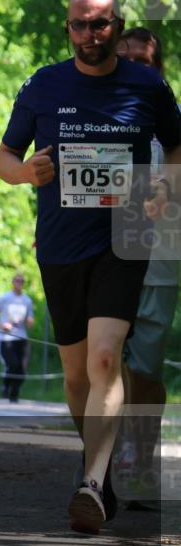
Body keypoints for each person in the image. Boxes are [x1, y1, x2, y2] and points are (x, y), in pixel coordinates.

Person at [0, 0, 180, 534]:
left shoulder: (147, 85)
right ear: (68, 29)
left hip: (127, 236)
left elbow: (175, 146)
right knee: (77, 375)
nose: (90, 35)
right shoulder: (44, 84)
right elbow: (4, 156)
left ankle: (93, 484)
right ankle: (95, 465)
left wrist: (164, 190)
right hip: (60, 242)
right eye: (80, 25)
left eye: (100, 25)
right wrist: (26, 172)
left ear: (117, 27)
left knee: (105, 359)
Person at [113, 27, 180, 509]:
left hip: (160, 254)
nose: (136, 67)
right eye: (127, 59)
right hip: (102, 252)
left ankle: (143, 456)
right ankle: (106, 463)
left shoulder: (172, 123)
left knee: (146, 363)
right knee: (104, 355)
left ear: (159, 67)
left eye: (145, 60)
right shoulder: (99, 113)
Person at [0, 272, 36, 403]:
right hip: (6, 338)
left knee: (22, 369)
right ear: (12, 282)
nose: (19, 283)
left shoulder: (27, 300)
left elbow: (30, 318)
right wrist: (1, 325)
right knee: (13, 365)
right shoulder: (4, 298)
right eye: (17, 280)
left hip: (21, 337)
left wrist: (30, 321)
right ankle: (5, 385)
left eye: (21, 281)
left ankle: (14, 394)